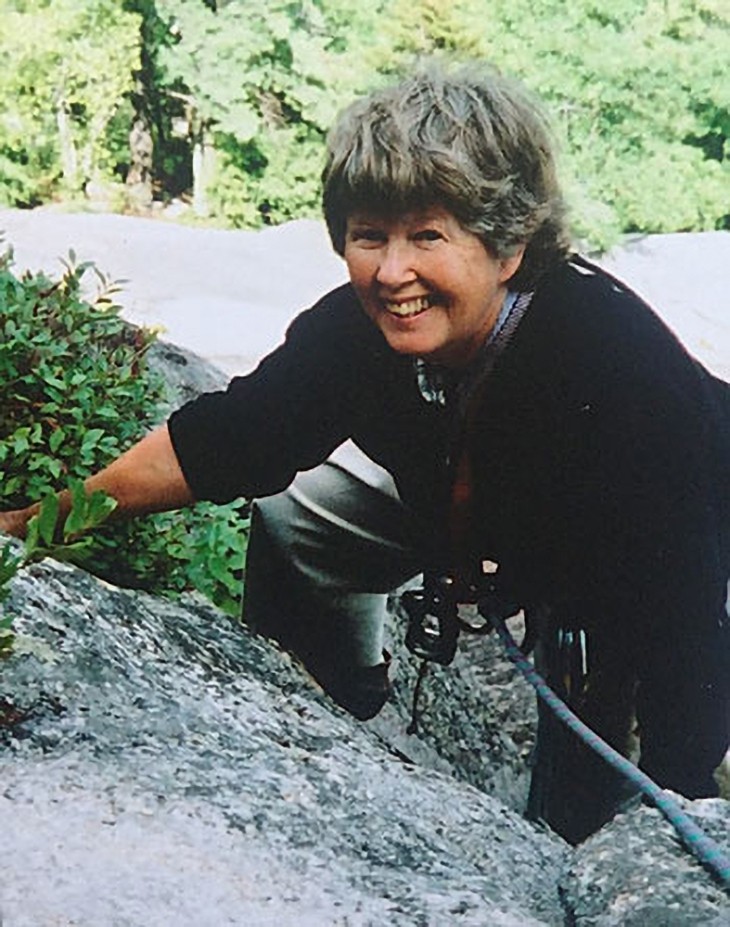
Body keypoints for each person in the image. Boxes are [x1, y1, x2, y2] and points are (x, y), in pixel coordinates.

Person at [1, 64, 728, 845]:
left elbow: (682, 617)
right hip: (482, 509)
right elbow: (227, 439)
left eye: (428, 235)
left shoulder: (617, 369)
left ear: (509, 245)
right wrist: (31, 525)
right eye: (369, 234)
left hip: (642, 547)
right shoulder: (360, 328)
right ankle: (334, 701)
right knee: (298, 507)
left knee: (590, 785)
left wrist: (681, 811)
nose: (391, 273)